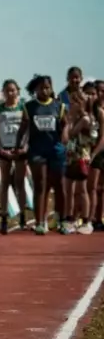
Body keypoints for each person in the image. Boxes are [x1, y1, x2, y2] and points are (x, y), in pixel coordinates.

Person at [16, 75, 68, 235]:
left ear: (51, 88)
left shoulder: (58, 106)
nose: (45, 91)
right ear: (35, 89)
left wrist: (65, 137)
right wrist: (18, 145)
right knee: (40, 185)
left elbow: (65, 125)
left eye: (47, 88)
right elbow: (23, 128)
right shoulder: (29, 106)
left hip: (56, 149)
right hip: (37, 150)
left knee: (59, 184)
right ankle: (40, 222)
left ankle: (62, 220)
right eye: (41, 88)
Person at [0, 79, 27, 234]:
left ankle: (22, 216)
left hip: (19, 149)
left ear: (18, 91)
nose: (10, 93)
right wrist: (1, 148)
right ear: (4, 92)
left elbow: (28, 130)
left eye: (13, 90)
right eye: (7, 90)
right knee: (5, 183)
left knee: (20, 183)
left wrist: (24, 147)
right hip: (5, 150)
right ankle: (4, 217)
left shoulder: (23, 107)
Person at [65, 91, 94, 234]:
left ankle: (86, 221)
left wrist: (70, 119)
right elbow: (65, 138)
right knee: (69, 189)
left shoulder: (85, 119)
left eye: (76, 102)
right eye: (72, 102)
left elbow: (71, 133)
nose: (73, 105)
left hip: (82, 157)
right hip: (71, 156)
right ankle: (70, 219)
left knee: (82, 189)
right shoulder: (75, 117)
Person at [85, 80, 104, 230]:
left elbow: (103, 137)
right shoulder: (80, 111)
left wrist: (94, 153)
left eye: (94, 93)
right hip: (81, 152)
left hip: (97, 153)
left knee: (94, 187)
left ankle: (93, 219)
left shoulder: (100, 113)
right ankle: (82, 218)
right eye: (88, 93)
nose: (91, 96)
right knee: (81, 187)